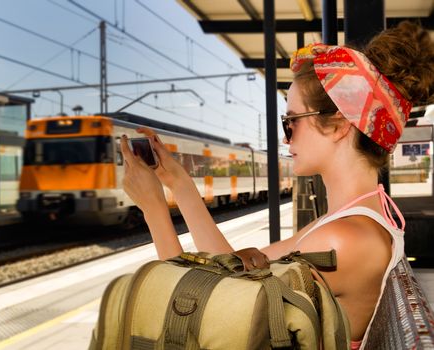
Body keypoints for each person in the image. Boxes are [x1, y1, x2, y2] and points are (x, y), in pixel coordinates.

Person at [119, 21, 434, 349]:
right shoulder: (344, 224)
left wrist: (154, 208)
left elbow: (194, 316)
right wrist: (180, 185)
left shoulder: (343, 240)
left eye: (291, 121)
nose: (286, 138)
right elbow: (229, 267)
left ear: (340, 125)